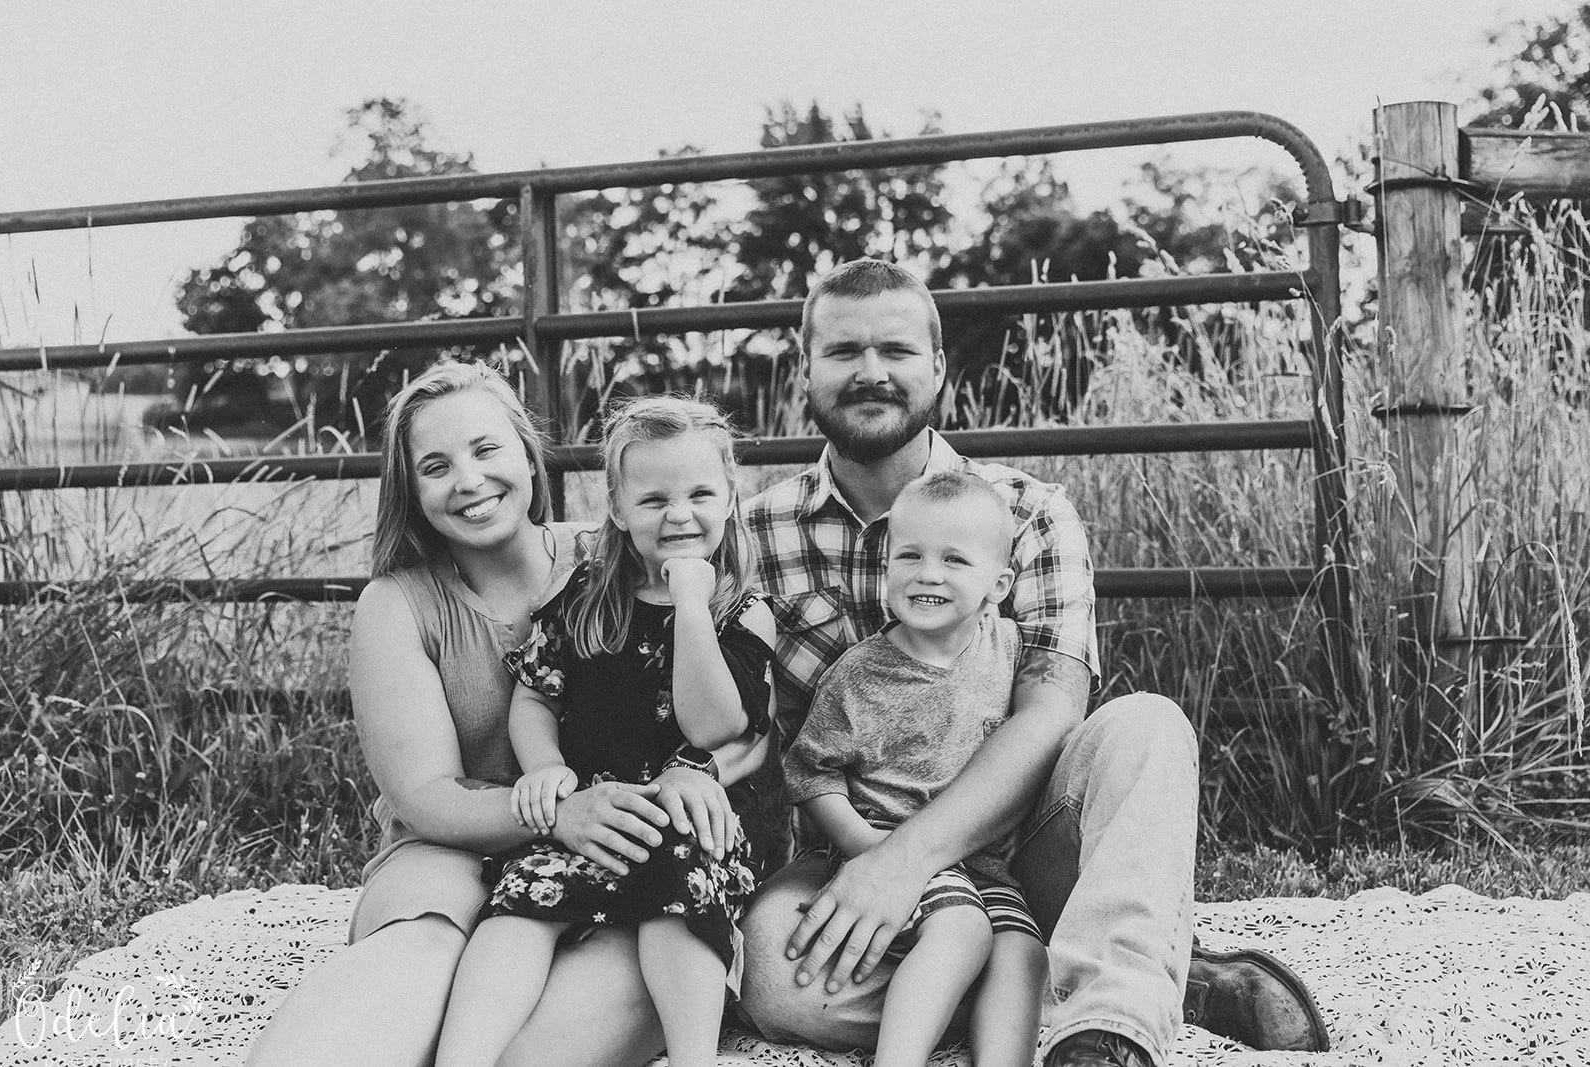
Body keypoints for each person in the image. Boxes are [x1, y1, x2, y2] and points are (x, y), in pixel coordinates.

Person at [737, 259, 1330, 1067]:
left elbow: (1051, 710)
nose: (871, 371)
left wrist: (906, 861)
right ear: (805, 369)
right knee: (772, 977)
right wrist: (875, 863)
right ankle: (1127, 970)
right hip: (851, 848)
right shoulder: (754, 534)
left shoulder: (1029, 513)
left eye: (896, 350)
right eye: (843, 351)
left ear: (937, 367)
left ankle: (1106, 1027)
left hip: (1025, 844)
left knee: (1148, 725)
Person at [246, 363, 769, 1067]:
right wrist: (559, 812)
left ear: (528, 454)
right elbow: (423, 793)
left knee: (535, 1045)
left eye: (486, 449)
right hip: (451, 855)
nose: (469, 479)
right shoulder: (398, 604)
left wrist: (694, 770)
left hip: (620, 849)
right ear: (410, 489)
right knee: (422, 951)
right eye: (436, 466)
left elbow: (746, 718)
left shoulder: (616, 556)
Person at [433, 395, 776, 1067]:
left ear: (731, 497)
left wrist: (690, 603)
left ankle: (694, 1056)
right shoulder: (585, 597)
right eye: (653, 500)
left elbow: (715, 724)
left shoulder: (742, 610)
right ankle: (462, 1056)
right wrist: (544, 766)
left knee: (681, 884)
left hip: (697, 822)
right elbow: (536, 693)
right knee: (520, 897)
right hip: (593, 813)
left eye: (700, 494)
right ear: (617, 509)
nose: (679, 515)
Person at [783, 470, 1047, 1067]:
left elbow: (1038, 734)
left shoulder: (1008, 649)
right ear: (887, 568)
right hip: (887, 843)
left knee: (1022, 952)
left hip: (983, 861)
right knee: (963, 931)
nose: (928, 574)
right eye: (910, 555)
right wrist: (871, 850)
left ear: (999, 584)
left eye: (954, 559)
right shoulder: (859, 674)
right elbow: (810, 773)